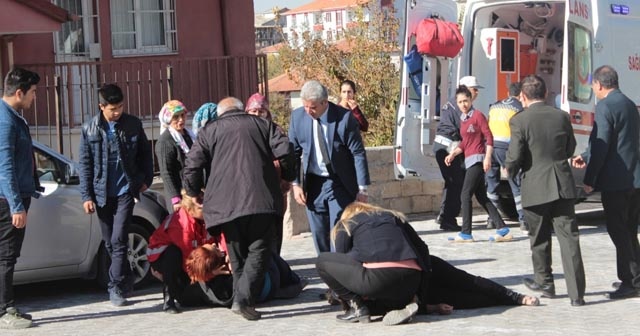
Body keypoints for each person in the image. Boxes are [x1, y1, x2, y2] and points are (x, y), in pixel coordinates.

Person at [316, 202, 539, 326]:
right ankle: (515, 298)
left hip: (380, 281)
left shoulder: (348, 223)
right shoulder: (392, 217)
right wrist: (421, 281)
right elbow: (421, 247)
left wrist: (344, 296)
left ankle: (370, 309)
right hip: (414, 275)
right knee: (467, 283)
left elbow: (344, 261)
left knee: (323, 261)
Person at [182, 97, 295, 321]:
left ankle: (241, 299)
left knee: (237, 255)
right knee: (258, 251)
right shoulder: (262, 124)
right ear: (241, 109)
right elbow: (286, 150)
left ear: (221, 113)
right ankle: (243, 299)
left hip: (224, 205)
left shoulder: (209, 130)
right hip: (259, 199)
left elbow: (192, 164)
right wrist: (288, 177)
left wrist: (193, 192)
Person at [505, 75, 586, 306]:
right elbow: (570, 148)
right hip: (562, 184)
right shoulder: (561, 116)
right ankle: (577, 294)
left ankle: (545, 282)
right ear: (546, 93)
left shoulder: (519, 121)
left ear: (522, 96)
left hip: (535, 186)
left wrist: (510, 169)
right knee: (569, 239)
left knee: (539, 239)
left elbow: (514, 156)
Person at [79, 83, 154, 307]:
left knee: (119, 239)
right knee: (110, 242)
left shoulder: (132, 124)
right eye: (113, 108)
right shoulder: (89, 129)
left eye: (120, 107)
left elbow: (145, 154)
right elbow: (85, 164)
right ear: (101, 107)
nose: (117, 112)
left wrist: (145, 181)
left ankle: (115, 287)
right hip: (101, 193)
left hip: (125, 191)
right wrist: (86, 196)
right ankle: (127, 277)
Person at [571, 65, 640, 300]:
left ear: (599, 85)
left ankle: (629, 282)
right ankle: (636, 276)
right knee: (630, 230)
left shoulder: (604, 106)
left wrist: (590, 180)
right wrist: (586, 156)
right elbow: (620, 141)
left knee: (618, 231)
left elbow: (602, 143)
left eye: (593, 85)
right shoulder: (629, 104)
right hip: (634, 179)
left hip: (615, 181)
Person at [288, 80, 370, 254]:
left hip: (338, 182)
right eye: (305, 107)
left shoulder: (344, 118)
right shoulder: (297, 118)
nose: (308, 111)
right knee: (318, 232)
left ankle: (340, 269)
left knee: (338, 231)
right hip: (314, 183)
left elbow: (358, 153)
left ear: (325, 102)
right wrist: (296, 185)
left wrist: (362, 188)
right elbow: (293, 153)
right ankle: (327, 268)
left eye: (313, 107)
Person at [0, 68, 41, 329]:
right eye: (33, 92)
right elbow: (5, 166)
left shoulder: (12, 117)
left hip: (14, 197)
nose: (34, 97)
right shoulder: (6, 121)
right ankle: (5, 309)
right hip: (6, 202)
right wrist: (16, 205)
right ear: (19, 92)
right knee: (6, 255)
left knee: (7, 255)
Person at [444, 86, 512, 243]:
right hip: (469, 160)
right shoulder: (463, 120)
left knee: (465, 194)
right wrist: (453, 154)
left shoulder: (478, 116)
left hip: (477, 159)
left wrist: (487, 158)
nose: (463, 104)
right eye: (460, 102)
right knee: (482, 196)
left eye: (465, 101)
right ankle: (502, 229)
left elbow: (489, 137)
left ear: (471, 99)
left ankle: (466, 232)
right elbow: (465, 143)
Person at [147, 190, 233, 313]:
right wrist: (210, 274)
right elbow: (188, 262)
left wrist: (227, 254)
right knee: (173, 255)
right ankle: (169, 298)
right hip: (163, 254)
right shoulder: (181, 226)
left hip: (195, 250)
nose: (207, 212)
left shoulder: (206, 217)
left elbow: (221, 235)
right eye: (202, 210)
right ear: (190, 209)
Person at [433, 75, 482, 231]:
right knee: (457, 183)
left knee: (452, 182)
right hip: (449, 146)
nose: (476, 93)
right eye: (475, 90)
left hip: (442, 146)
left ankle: (444, 215)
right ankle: (448, 219)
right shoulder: (463, 108)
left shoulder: (452, 104)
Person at [245, 93, 291, 255]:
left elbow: (286, 156)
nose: (258, 115)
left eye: (261, 111)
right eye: (254, 111)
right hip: (252, 188)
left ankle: (276, 261)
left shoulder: (276, 130)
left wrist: (285, 178)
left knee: (276, 226)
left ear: (267, 113)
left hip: (276, 186)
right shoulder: (244, 132)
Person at [485, 82, 528, 233]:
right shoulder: (519, 108)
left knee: (491, 185)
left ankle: (492, 219)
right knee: (516, 184)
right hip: (507, 148)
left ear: (508, 92)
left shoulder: (495, 105)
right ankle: (523, 220)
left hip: (490, 147)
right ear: (521, 94)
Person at [155, 100, 196, 212]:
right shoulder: (165, 141)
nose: (181, 119)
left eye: (183, 115)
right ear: (168, 119)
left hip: (194, 191)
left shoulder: (190, 135)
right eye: (176, 117)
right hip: (180, 194)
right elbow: (166, 172)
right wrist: (175, 199)